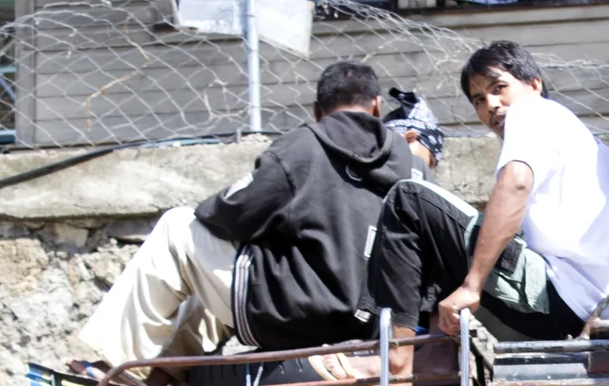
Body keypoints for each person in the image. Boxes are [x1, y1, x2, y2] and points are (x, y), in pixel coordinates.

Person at [77, 60, 416, 363]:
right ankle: (166, 375)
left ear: (316, 110)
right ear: (376, 106)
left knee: (176, 228)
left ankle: (114, 369)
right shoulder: (410, 165)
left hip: (299, 316)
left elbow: (228, 215)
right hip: (374, 324)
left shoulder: (301, 147)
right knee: (216, 279)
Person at [367, 41, 609, 339]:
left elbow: (516, 183)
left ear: (534, 85)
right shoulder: (594, 150)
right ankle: (438, 354)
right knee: (445, 234)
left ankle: (397, 360)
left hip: (559, 297)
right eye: (478, 99)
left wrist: (472, 285)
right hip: (600, 314)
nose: (491, 104)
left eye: (498, 88)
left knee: (409, 199)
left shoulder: (531, 109)